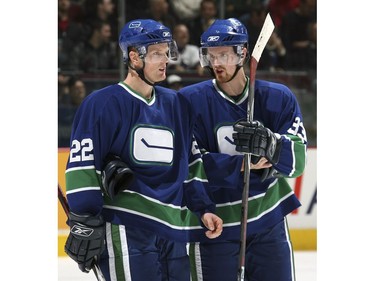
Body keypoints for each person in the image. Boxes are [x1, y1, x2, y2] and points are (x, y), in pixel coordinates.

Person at [63, 19, 223, 281]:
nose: (166, 60)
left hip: (173, 228)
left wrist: (203, 207)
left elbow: (192, 162)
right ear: (135, 57)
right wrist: (84, 218)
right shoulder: (102, 103)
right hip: (126, 227)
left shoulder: (176, 104)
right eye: (157, 53)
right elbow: (83, 164)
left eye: (166, 52)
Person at [178, 18, 307, 281]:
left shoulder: (277, 97)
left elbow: (298, 162)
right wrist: (239, 164)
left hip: (268, 223)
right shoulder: (189, 101)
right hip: (215, 225)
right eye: (210, 56)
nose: (216, 63)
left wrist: (272, 145)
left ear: (243, 53)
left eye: (223, 55)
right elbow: (186, 164)